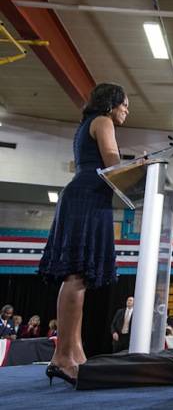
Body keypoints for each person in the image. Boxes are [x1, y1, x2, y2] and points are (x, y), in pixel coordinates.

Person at [38, 83, 129, 385]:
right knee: (76, 276)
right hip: (87, 198)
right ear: (111, 104)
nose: (126, 110)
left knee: (80, 278)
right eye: (124, 105)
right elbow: (112, 162)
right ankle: (62, 357)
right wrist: (142, 166)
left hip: (89, 197)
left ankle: (75, 353)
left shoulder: (87, 124)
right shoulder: (103, 121)